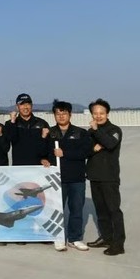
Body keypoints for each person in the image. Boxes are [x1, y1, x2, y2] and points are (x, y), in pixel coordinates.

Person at [48, 100, 91, 252]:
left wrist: (65, 153)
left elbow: (85, 152)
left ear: (70, 114)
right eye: (58, 114)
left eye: (64, 113)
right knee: (56, 210)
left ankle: (75, 238)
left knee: (76, 209)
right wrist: (44, 159)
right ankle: (58, 237)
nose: (61, 116)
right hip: (57, 179)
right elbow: (43, 152)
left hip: (76, 178)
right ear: (54, 115)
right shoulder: (49, 133)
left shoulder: (80, 133)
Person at [86, 98, 125, 256]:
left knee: (113, 210)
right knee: (101, 211)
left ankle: (118, 244)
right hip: (94, 176)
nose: (98, 116)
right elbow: (86, 150)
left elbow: (110, 144)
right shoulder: (90, 132)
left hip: (109, 177)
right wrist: (93, 148)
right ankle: (106, 238)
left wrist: (96, 131)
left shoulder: (115, 130)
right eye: (95, 113)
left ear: (107, 114)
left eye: (101, 113)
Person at [3, 93, 50, 166]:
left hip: (39, 167)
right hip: (19, 167)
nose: (25, 107)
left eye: (28, 104)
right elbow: (12, 139)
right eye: (22, 104)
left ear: (32, 106)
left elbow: (49, 145)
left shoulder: (42, 123)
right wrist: (13, 122)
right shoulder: (10, 124)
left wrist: (45, 158)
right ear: (17, 107)